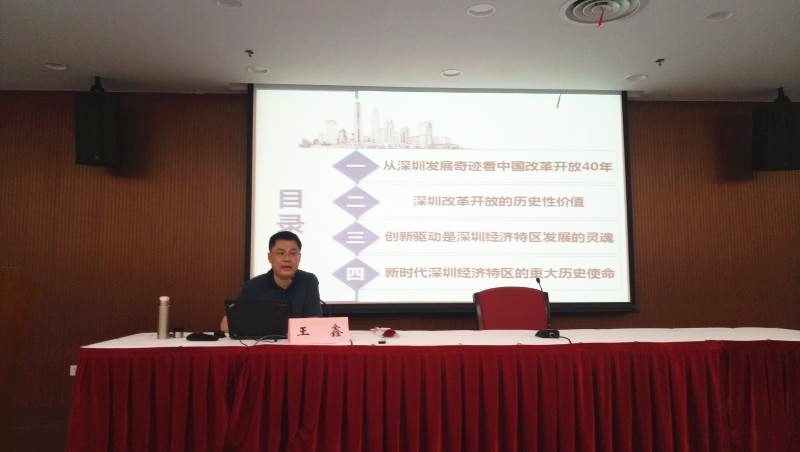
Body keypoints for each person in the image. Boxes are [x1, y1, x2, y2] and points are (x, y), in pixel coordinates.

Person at [220, 230, 322, 332]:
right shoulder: (253, 286)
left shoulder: (309, 281)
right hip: (265, 341)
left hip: (299, 341)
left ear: (299, 258)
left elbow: (315, 322)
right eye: (281, 253)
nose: (287, 259)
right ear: (269, 257)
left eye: (293, 253)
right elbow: (226, 325)